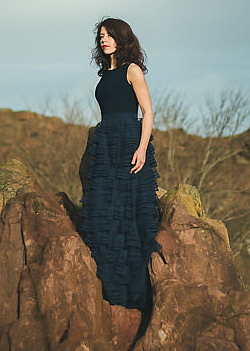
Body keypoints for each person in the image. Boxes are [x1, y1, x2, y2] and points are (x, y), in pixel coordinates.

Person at [79, 17, 160, 310]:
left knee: (129, 214)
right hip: (106, 144)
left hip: (129, 141)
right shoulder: (104, 74)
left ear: (121, 38)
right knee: (103, 209)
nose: (104, 39)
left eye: (109, 35)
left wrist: (141, 148)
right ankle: (109, 289)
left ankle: (134, 294)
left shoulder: (132, 70)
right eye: (101, 35)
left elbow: (148, 113)